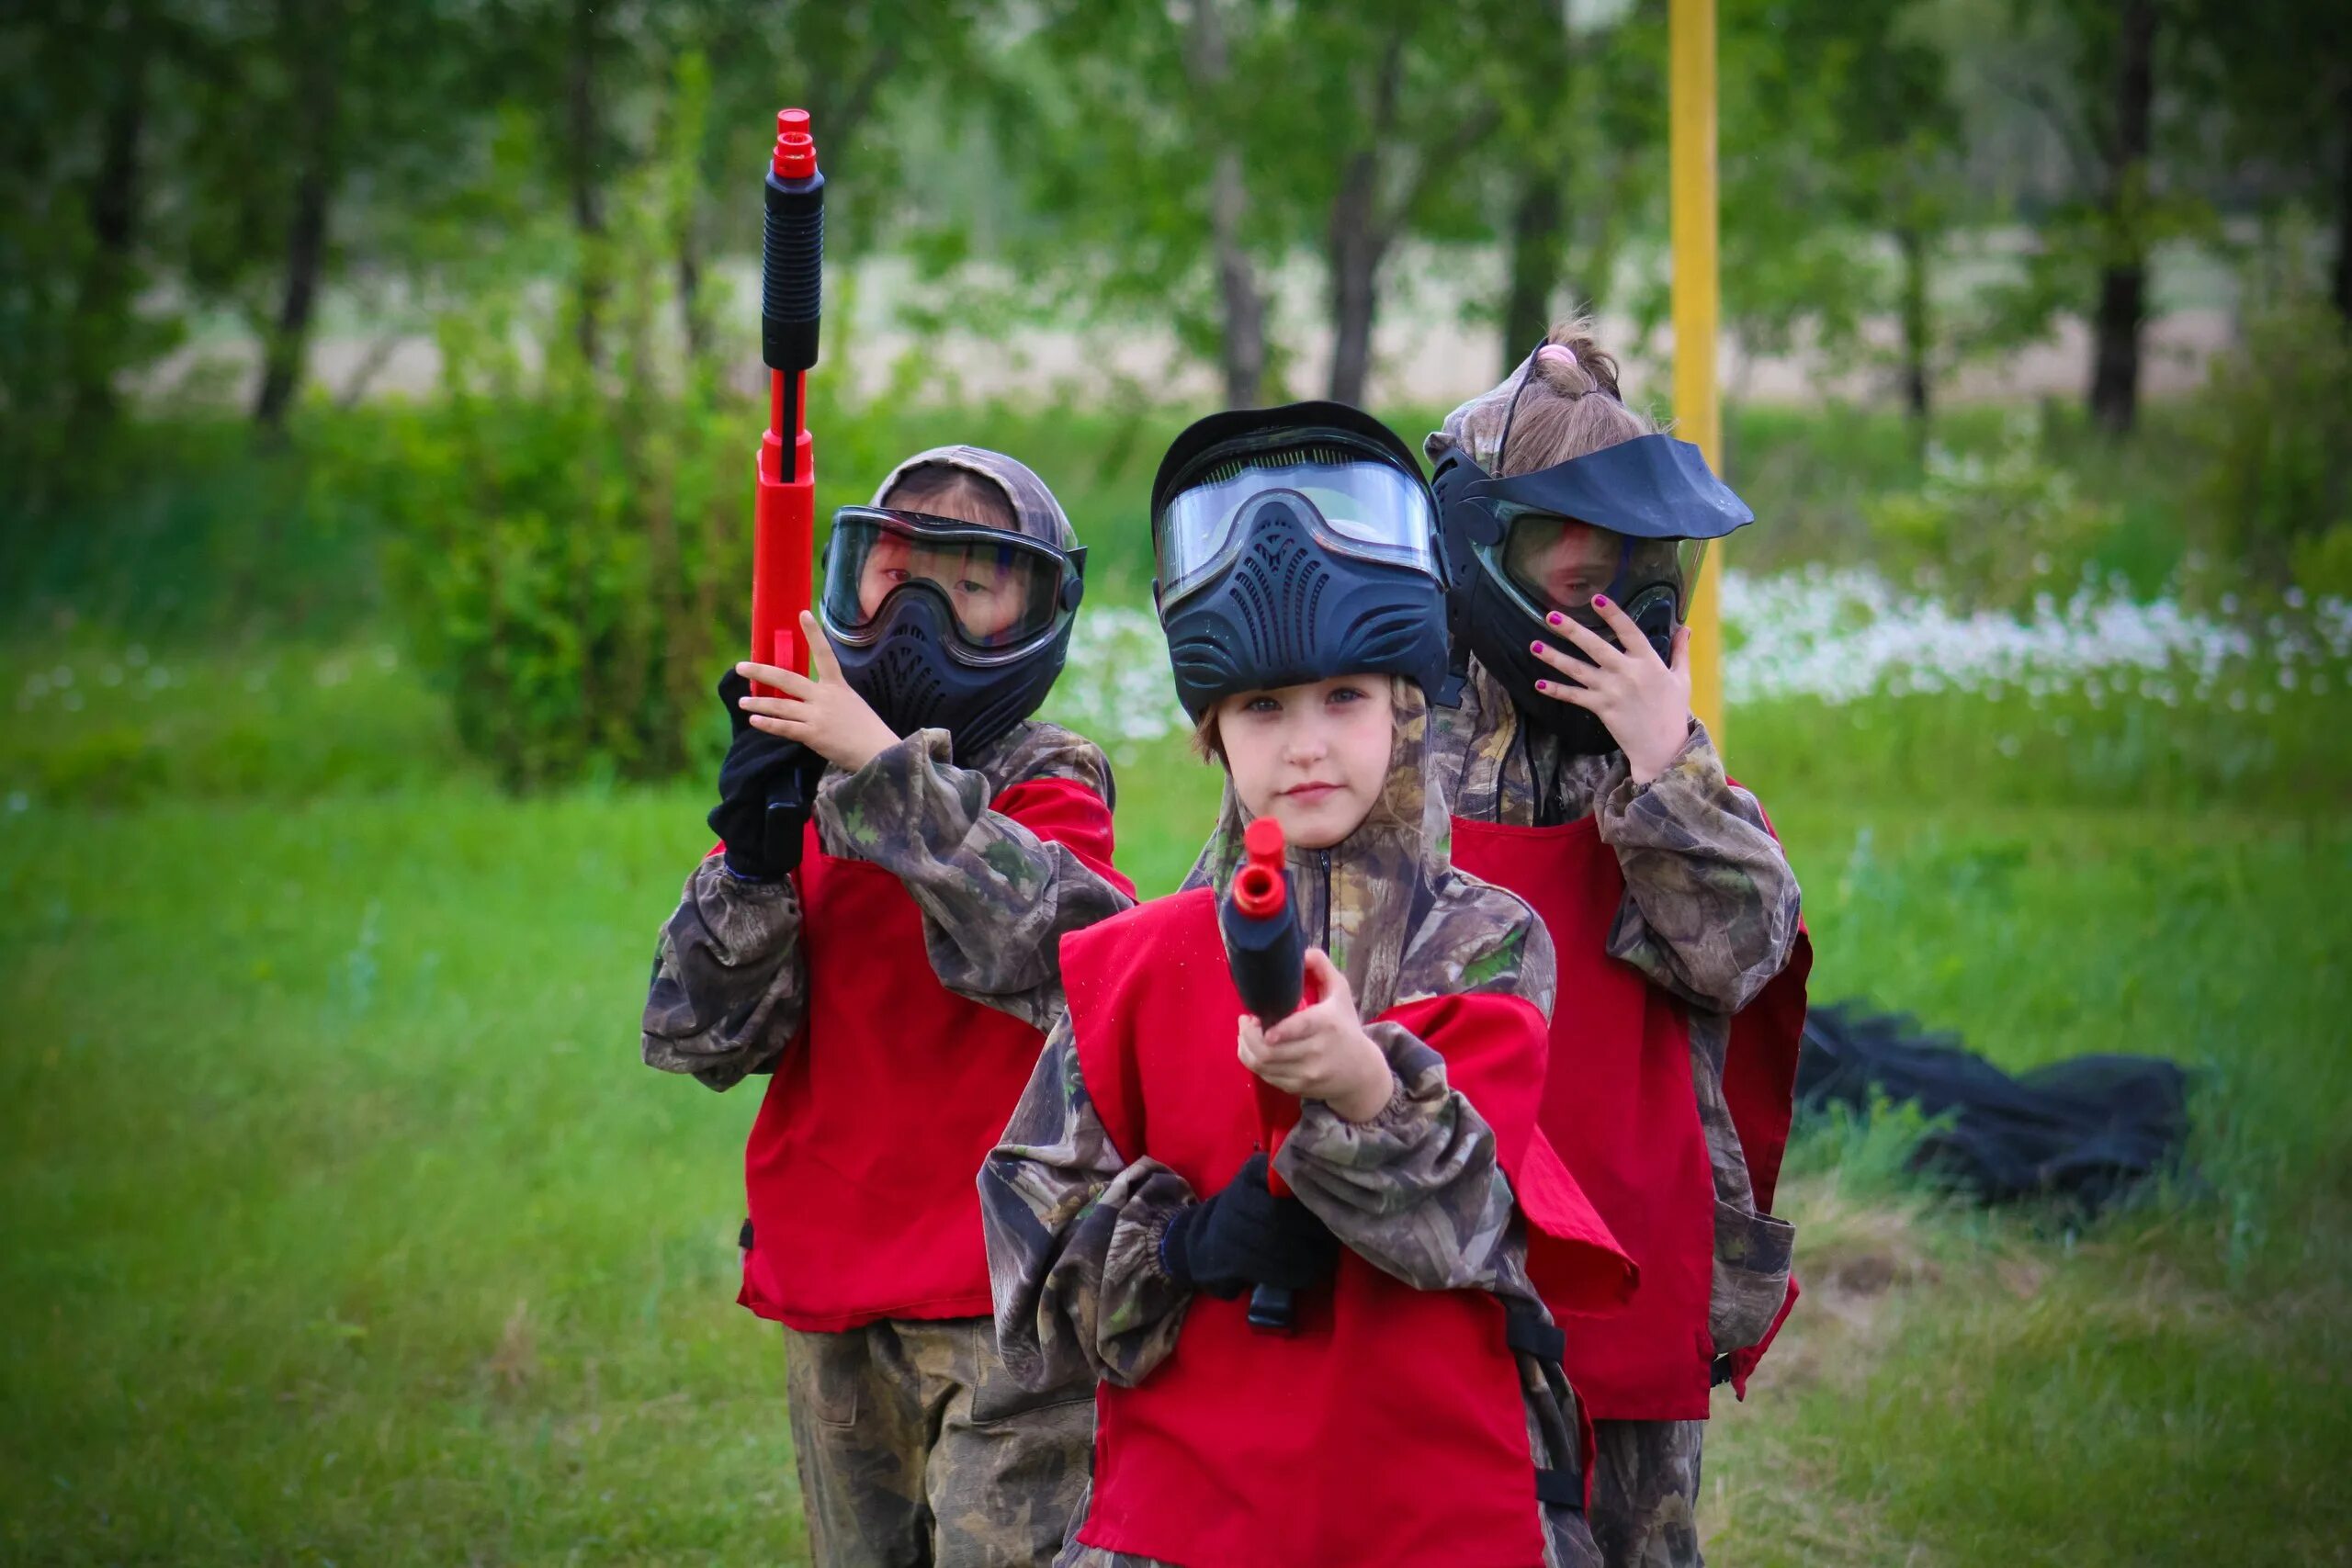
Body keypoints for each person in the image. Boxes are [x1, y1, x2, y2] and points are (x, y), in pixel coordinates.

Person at [982, 402, 1635, 1568]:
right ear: (1212, 735)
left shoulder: (1486, 941)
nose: (1306, 747)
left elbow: (1473, 1229)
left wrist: (1365, 1091)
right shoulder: (1127, 966)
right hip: (1188, 1522)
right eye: (1262, 709)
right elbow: (1029, 1277)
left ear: (1405, 708)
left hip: (1435, 1510)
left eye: (1343, 698)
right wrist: (1181, 1249)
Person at [640, 446, 1136, 1568]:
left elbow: (1065, 952)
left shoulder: (1043, 775)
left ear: (1037, 611)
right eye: (898, 573)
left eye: (972, 587)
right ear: (845, 575)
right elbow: (698, 1035)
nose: (921, 613)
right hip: (833, 1278)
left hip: (1007, 1297)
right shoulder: (807, 767)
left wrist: (874, 770)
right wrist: (754, 863)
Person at [1423, 323, 1813, 1568]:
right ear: (1484, 544)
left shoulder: (1661, 756)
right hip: (1452, 1241)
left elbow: (1745, 951)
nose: (1603, 586)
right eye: (1563, 547)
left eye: (1632, 557)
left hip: (1639, 1247)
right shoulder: (1389, 742)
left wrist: (1665, 762)